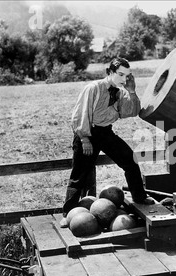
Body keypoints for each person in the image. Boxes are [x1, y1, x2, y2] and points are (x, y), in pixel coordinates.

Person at [63, 57, 154, 215]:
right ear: (109, 72)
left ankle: (139, 197)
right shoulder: (93, 88)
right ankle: (68, 213)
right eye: (120, 74)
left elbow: (130, 112)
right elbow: (80, 115)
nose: (124, 79)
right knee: (79, 175)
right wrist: (84, 139)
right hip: (88, 133)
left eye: (127, 75)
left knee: (130, 160)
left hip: (105, 133)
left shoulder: (120, 92)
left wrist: (131, 91)